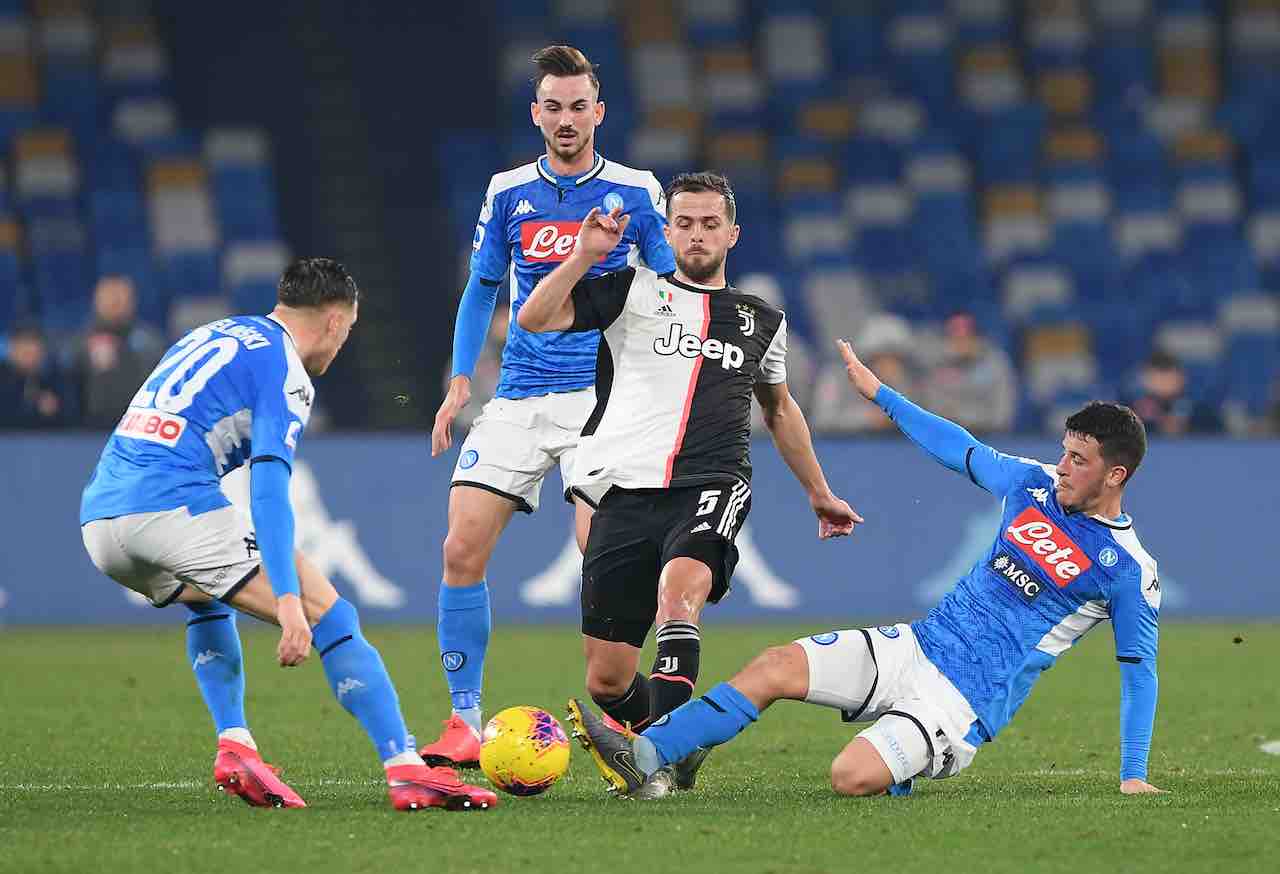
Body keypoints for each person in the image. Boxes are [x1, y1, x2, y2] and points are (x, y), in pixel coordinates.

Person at [571, 336, 1165, 799]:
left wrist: (1132, 774)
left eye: (1079, 460)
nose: (1062, 466)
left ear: (1116, 476)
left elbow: (1139, 670)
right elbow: (959, 448)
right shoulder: (1032, 484)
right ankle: (647, 755)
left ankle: (922, 757)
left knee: (849, 776)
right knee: (776, 666)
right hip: (916, 644)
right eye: (1064, 450)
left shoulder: (1127, 570)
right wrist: (881, 395)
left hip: (960, 701)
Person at [79, 258, 496, 812]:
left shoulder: (214, 333)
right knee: (333, 615)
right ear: (332, 321)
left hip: (101, 521)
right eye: (347, 331)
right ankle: (407, 769)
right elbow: (268, 493)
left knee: (207, 598)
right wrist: (287, 598)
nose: (343, 344)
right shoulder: (283, 369)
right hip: (170, 505)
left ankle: (236, 743)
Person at [519, 171, 862, 797]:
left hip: (713, 480)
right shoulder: (629, 291)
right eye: (685, 223)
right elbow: (535, 318)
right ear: (667, 229)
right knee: (606, 678)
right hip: (623, 489)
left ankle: (658, 756)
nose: (697, 235)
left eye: (710, 224)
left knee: (680, 596)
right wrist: (583, 256)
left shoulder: (764, 320)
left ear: (732, 233)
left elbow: (780, 409)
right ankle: (679, 744)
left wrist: (819, 490)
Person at [422, 45, 676, 767]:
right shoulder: (507, 191)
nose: (566, 120)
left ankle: (633, 714)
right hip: (519, 397)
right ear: (536, 114)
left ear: (598, 111)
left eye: (578, 106)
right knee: (460, 547)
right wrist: (461, 380)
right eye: (553, 107)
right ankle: (464, 721)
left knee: (605, 559)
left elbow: (670, 288)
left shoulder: (634, 190)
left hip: (604, 399)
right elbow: (481, 289)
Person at [71, 275, 167, 428]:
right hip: (88, 431)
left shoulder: (151, 344)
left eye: (120, 297)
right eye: (109, 297)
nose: (114, 303)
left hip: (138, 428)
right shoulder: (79, 343)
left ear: (132, 301)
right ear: (96, 301)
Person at [919, 310, 1016, 433]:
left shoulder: (995, 362)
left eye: (966, 335)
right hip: (947, 435)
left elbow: (1004, 403)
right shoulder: (935, 364)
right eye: (955, 334)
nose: (961, 341)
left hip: (989, 434)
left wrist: (996, 429)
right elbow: (930, 404)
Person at [0, 320, 68, 427]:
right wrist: (35, 409)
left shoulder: (56, 377)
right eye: (23, 343)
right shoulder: (3, 377)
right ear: (11, 348)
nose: (29, 349)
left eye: (34, 343)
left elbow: (72, 415)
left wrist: (55, 410)